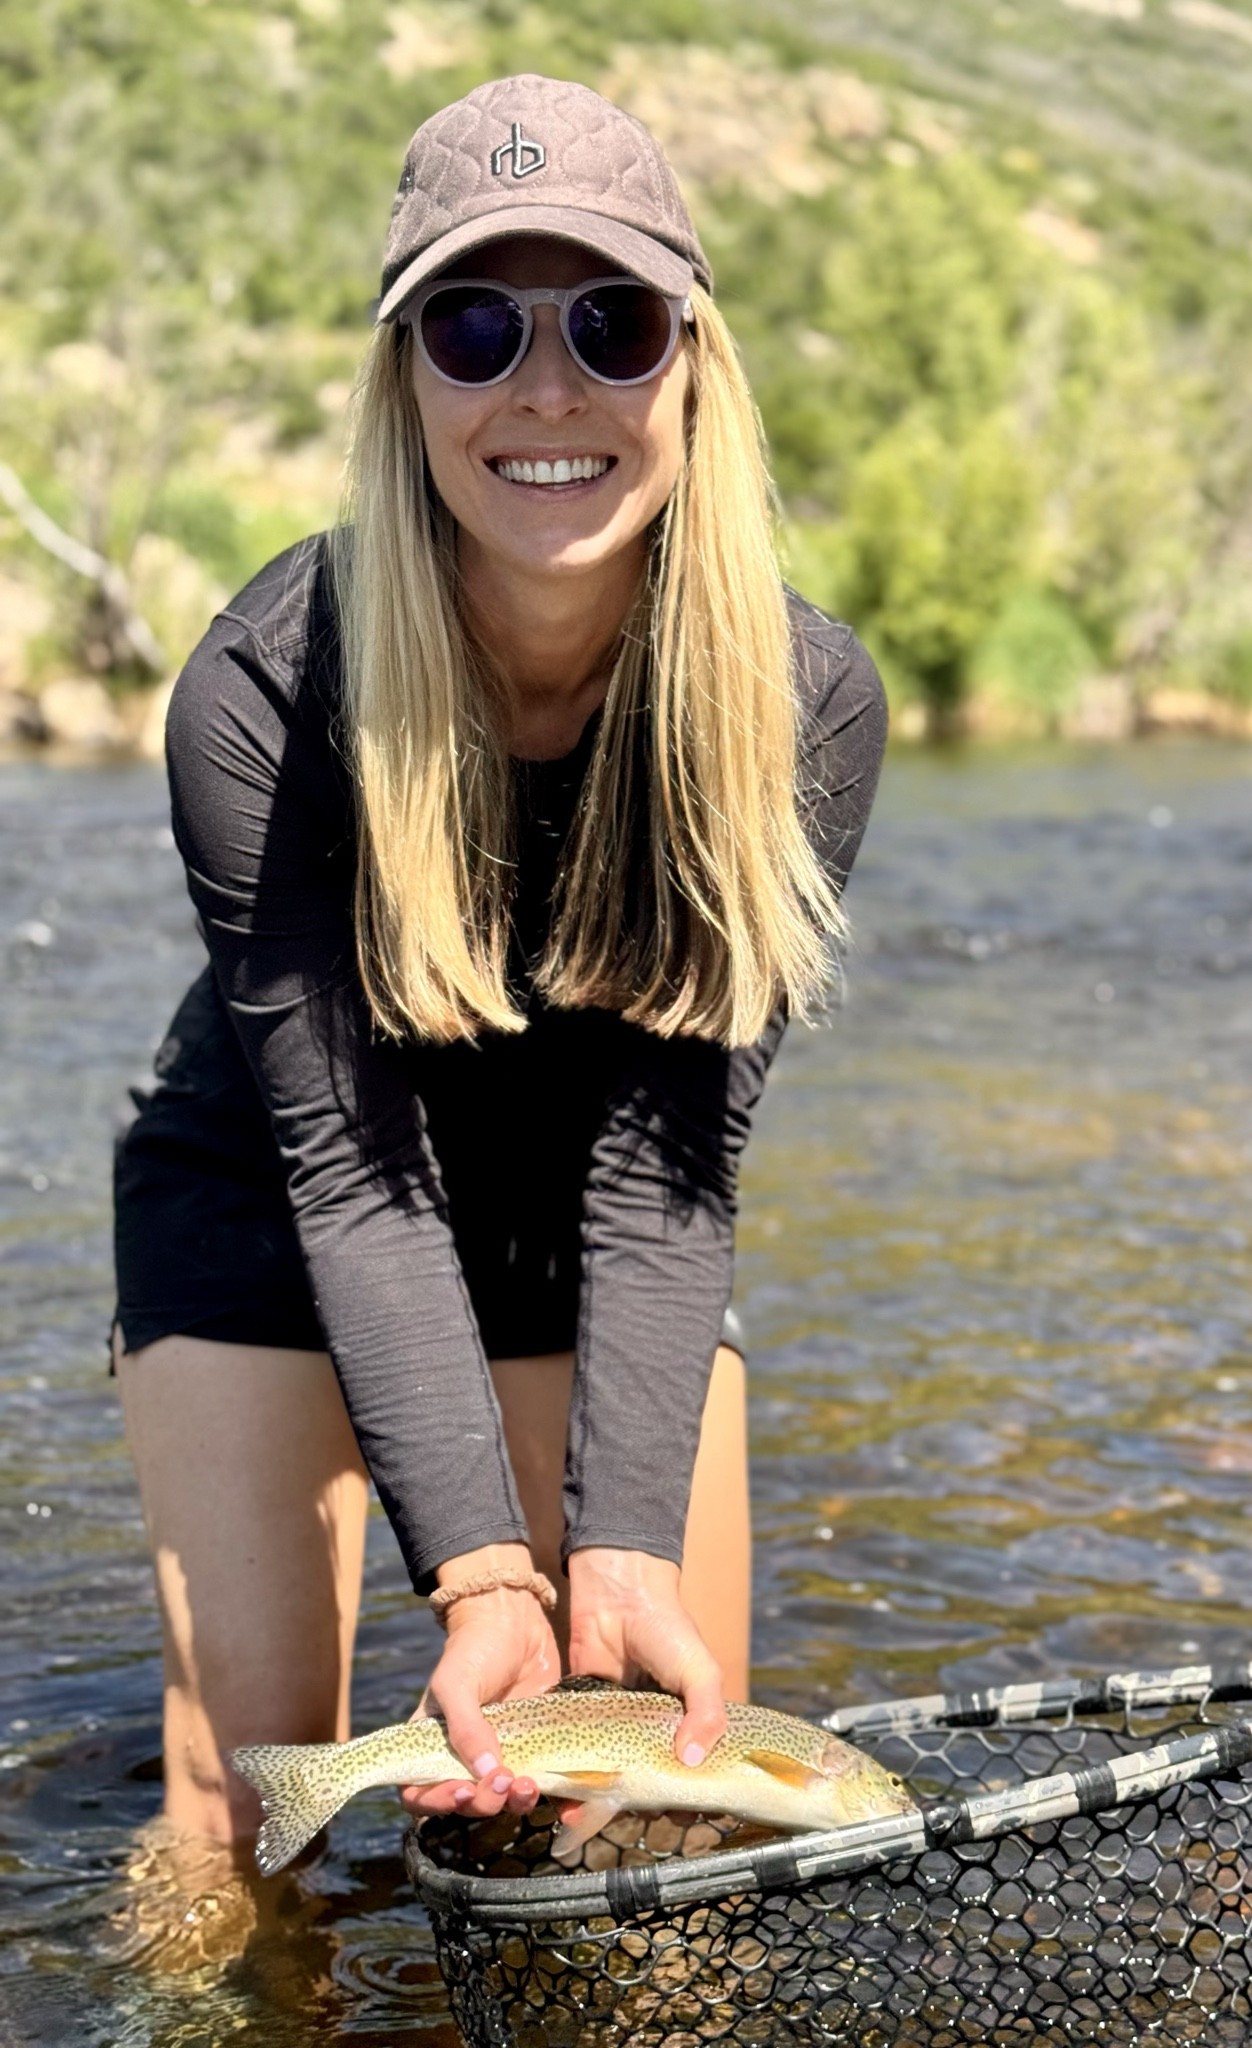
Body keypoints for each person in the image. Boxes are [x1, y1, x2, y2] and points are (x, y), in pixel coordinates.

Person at [111, 74, 887, 1853]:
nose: (548, 389)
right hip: (276, 1181)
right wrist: (477, 1575)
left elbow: (674, 1158)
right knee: (248, 1796)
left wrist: (602, 1550)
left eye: (611, 324)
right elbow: (349, 1163)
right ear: (405, 385)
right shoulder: (262, 693)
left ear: (692, 364)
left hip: (584, 1200)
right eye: (476, 327)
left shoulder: (802, 700)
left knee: (659, 1803)